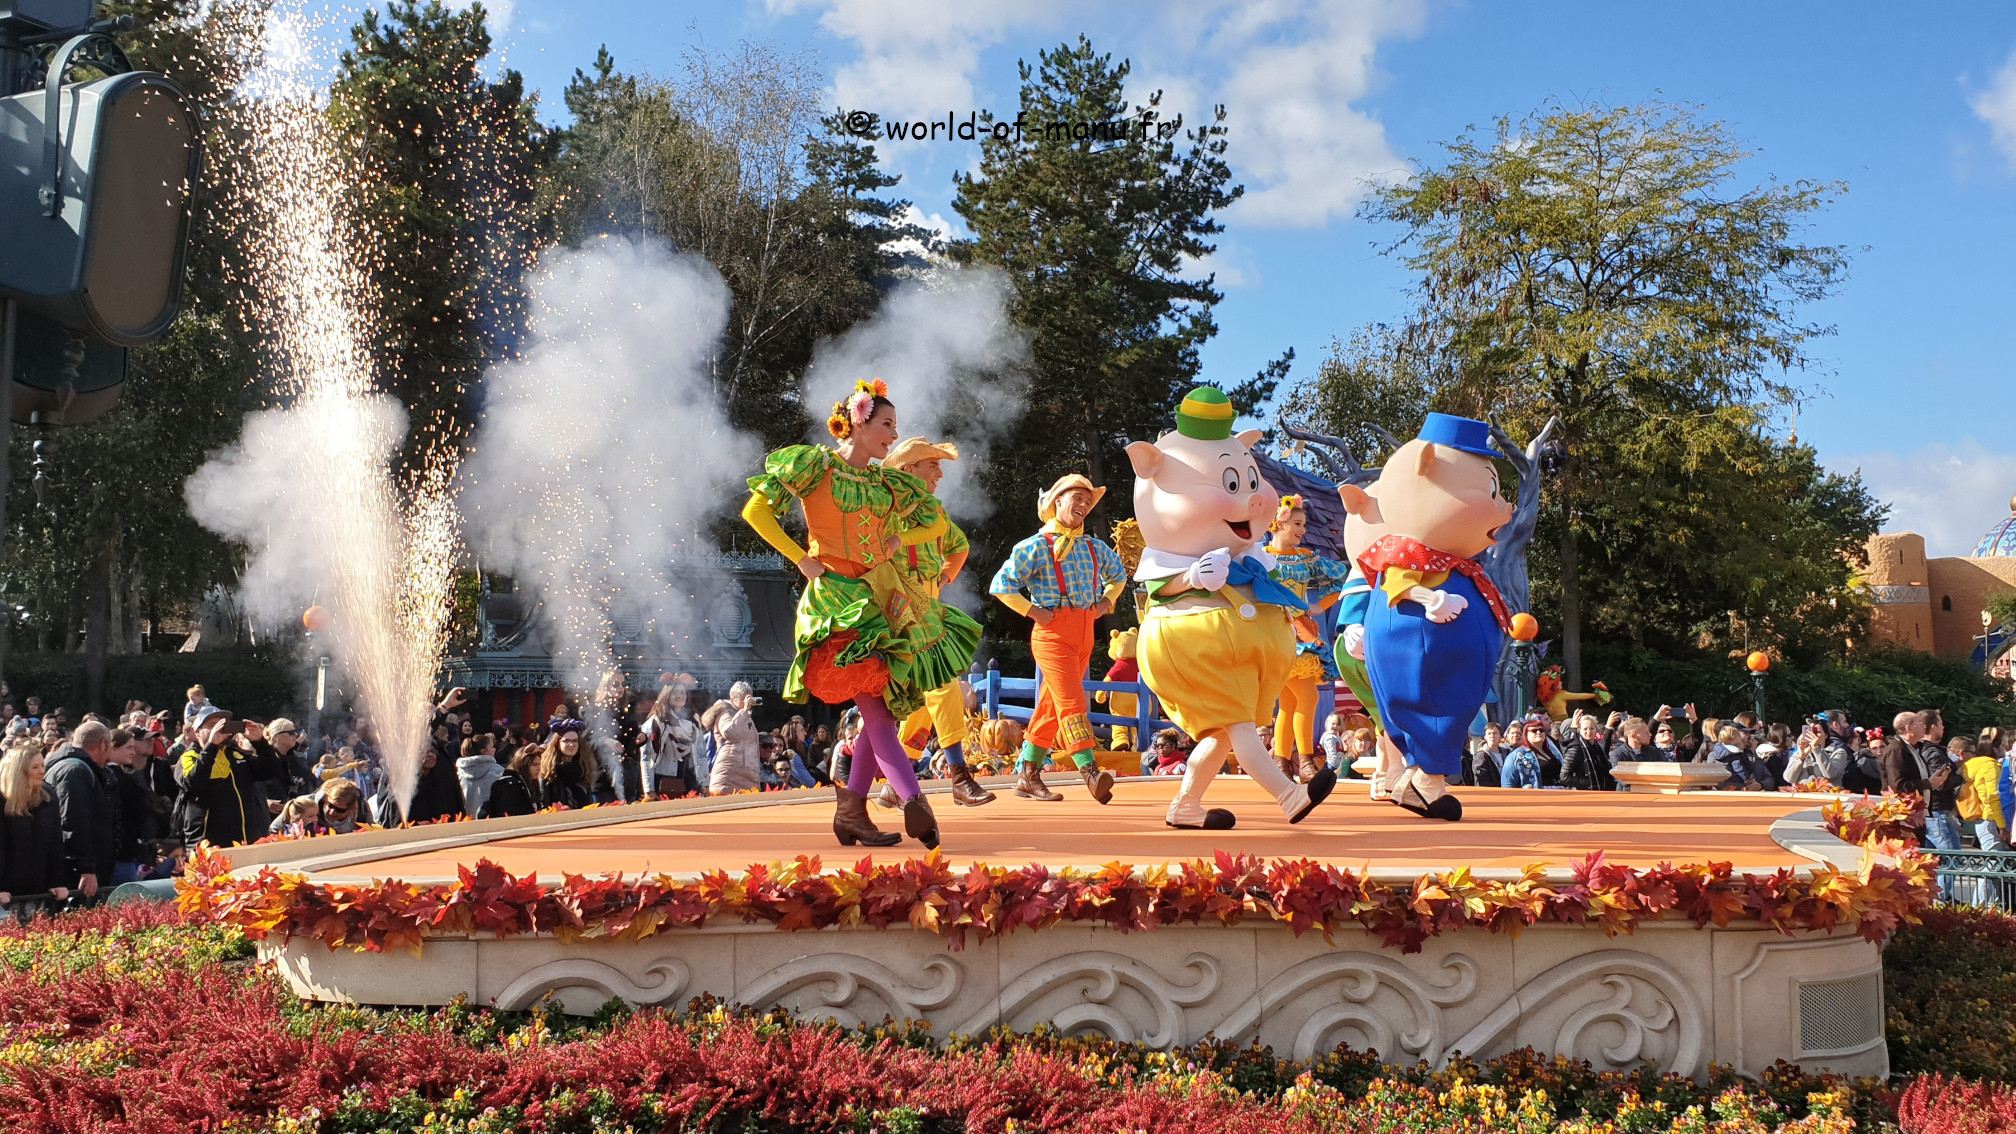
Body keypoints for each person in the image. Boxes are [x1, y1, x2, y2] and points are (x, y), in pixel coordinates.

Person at [740, 379, 978, 849]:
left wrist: (899, 539)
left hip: (881, 599)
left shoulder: (884, 482)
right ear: (859, 422)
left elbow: (934, 521)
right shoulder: (814, 465)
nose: (894, 434)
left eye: (895, 426)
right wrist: (801, 559)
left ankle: (851, 813)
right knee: (877, 711)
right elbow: (756, 511)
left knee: (880, 711)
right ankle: (913, 799)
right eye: (887, 424)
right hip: (836, 602)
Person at [990, 472, 1128, 805]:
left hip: (1084, 632)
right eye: (1076, 498)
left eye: (1087, 500)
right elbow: (1001, 585)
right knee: (1072, 701)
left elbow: (1119, 576)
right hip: (1052, 634)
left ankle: (1027, 775)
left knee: (1052, 707)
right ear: (1057, 502)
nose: (1083, 504)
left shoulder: (1094, 547)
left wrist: (1105, 604)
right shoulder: (1036, 546)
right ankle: (1090, 772)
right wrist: (1033, 611)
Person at [882, 437, 995, 806]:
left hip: (928, 606)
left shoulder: (936, 514)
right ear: (909, 469)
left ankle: (894, 785)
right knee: (943, 685)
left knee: (920, 699)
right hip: (898, 607)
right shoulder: (884, 510)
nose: (940, 473)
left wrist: (945, 577)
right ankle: (959, 777)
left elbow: (959, 547)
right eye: (932, 465)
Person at [1260, 495, 1353, 782]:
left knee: (1289, 703)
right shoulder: (1260, 557)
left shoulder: (1305, 557)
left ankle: (1282, 764)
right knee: (1308, 697)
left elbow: (1340, 578)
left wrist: (1319, 606)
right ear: (1279, 523)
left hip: (1301, 631)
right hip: (1274, 632)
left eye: (1304, 524)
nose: (1303, 530)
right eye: (1297, 524)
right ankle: (1304, 761)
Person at [176, 714, 282, 848]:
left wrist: (260, 743)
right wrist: (211, 747)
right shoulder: (190, 757)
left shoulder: (235, 753)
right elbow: (193, 783)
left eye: (222, 724)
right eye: (212, 725)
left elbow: (271, 771)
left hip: (247, 842)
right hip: (210, 846)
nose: (218, 728)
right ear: (196, 732)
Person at [45, 721, 123, 902]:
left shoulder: (73, 768)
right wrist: (85, 868)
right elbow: (73, 821)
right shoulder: (76, 771)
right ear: (103, 744)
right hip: (78, 878)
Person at [0, 743, 71, 915]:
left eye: (42, 765)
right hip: (6, 894)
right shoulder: (2, 801)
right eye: (35, 767)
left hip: (39, 891)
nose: (42, 771)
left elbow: (55, 844)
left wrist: (57, 882)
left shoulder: (47, 797)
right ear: (18, 771)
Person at [637, 680, 699, 800]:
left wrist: (704, 781)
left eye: (682, 692)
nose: (679, 696)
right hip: (663, 782)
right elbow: (647, 758)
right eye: (675, 692)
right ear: (667, 696)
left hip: (689, 781)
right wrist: (649, 790)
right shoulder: (656, 722)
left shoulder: (692, 721)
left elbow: (700, 754)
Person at [699, 684, 762, 795]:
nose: (748, 702)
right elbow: (729, 732)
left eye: (749, 698)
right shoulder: (726, 713)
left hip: (745, 776)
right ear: (732, 699)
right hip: (728, 776)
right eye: (743, 699)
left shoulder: (743, 715)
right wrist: (744, 711)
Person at [534, 723, 597, 810]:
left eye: (575, 741)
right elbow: (544, 804)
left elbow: (589, 803)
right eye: (566, 741)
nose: (571, 744)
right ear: (557, 743)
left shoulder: (583, 768)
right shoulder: (549, 770)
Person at [480, 745, 541, 819]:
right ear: (523, 765)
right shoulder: (509, 786)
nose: (539, 768)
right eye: (535, 765)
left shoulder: (533, 784)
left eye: (540, 764)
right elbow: (506, 815)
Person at [1559, 714, 1614, 791]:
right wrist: (1590, 781)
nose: (1589, 731)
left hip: (1602, 791)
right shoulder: (1575, 748)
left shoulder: (1597, 747)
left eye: (1592, 728)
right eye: (1585, 729)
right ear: (1579, 730)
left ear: (1596, 729)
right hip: (1584, 792)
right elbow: (1564, 777)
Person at [456, 733, 504, 817]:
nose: (495, 749)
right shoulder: (498, 771)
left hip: (466, 820)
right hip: (491, 819)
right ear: (484, 751)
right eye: (492, 747)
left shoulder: (459, 773)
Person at [1500, 718, 1546, 789]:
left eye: (1541, 730)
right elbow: (1508, 783)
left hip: (1559, 793)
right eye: (1534, 731)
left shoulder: (1554, 752)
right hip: (1533, 794)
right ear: (1526, 734)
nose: (1538, 732)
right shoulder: (1515, 756)